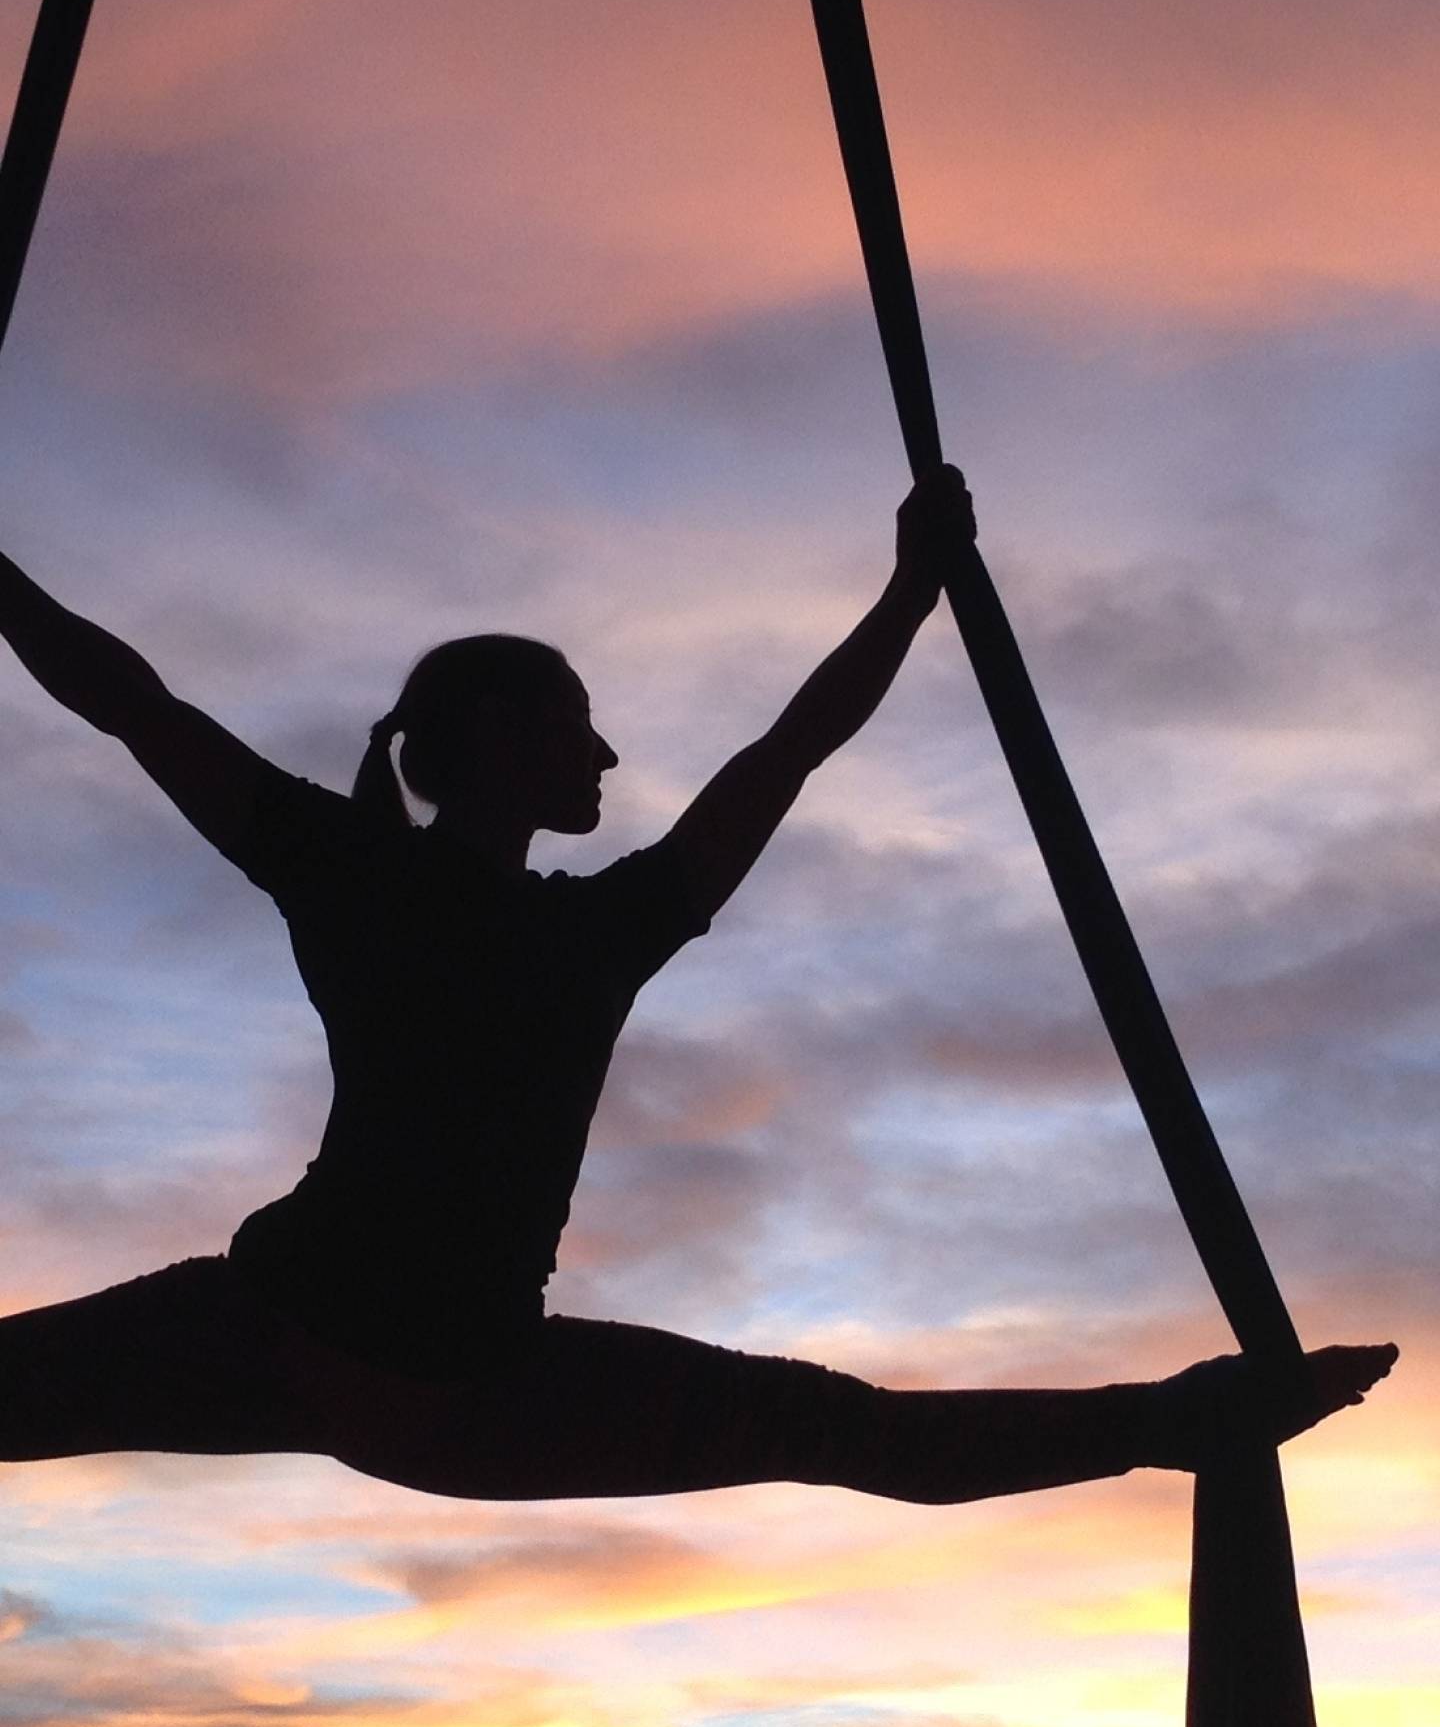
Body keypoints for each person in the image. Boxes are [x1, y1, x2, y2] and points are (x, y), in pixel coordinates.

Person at [0, 469, 1393, 1502]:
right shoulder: (463, 894)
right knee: (843, 1433)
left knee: (843, 1431)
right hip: (355, 1356)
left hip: (367, 1355)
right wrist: (909, 590)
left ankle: (1187, 1416)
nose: (605, 755)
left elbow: (791, 749)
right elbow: (130, 701)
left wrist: (913, 592)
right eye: (577, 722)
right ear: (498, 733)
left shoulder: (433, 886)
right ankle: (1183, 1416)